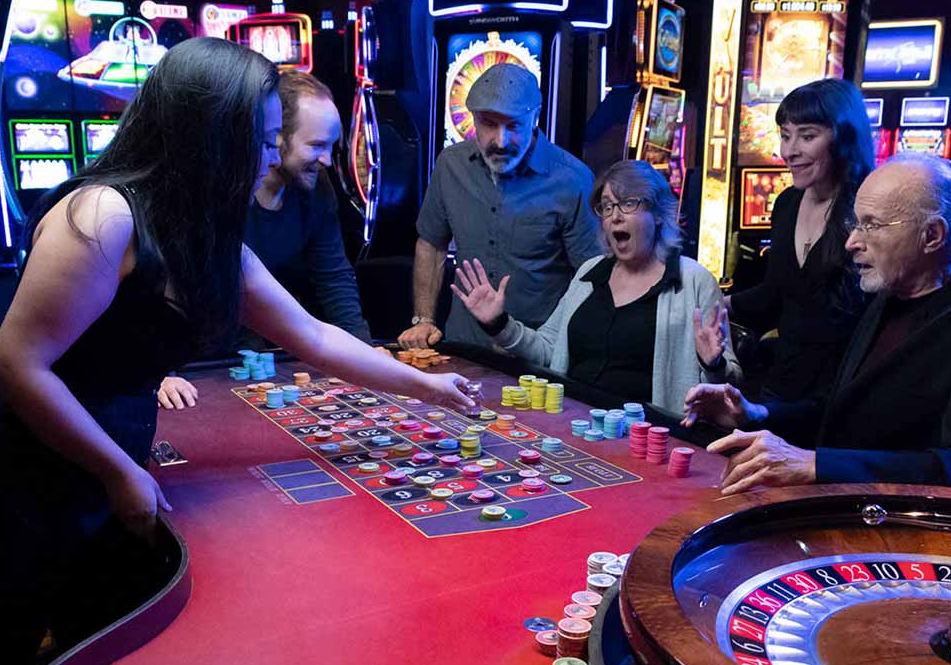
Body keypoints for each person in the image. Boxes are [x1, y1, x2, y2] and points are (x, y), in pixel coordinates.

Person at [0, 38, 473, 665]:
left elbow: (314, 337)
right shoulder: (103, 215)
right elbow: (18, 366)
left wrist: (424, 384)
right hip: (12, 477)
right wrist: (118, 471)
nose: (271, 155)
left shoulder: (214, 239)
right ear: (204, 133)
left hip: (107, 466)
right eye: (260, 137)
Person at [683, 154, 951, 493]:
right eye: (855, 223)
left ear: (932, 235)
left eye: (871, 225)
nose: (851, 242)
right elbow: (840, 409)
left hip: (911, 535)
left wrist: (818, 464)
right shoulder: (888, 292)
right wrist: (757, 414)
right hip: (843, 503)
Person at [453, 160, 741, 412]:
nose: (615, 216)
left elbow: (730, 390)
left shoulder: (694, 281)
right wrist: (499, 324)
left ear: (657, 213)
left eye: (629, 203)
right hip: (571, 420)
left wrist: (713, 364)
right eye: (607, 206)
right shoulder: (589, 273)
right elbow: (548, 350)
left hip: (648, 434)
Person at [159, 71, 370, 410]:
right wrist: (158, 370)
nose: (328, 160)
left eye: (332, 146)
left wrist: (365, 356)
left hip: (261, 356)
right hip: (196, 362)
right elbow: (165, 286)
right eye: (316, 145)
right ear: (275, 137)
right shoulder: (218, 190)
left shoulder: (317, 188)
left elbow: (334, 278)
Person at [398, 63, 600, 350]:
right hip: (464, 348)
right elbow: (431, 244)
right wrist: (423, 320)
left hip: (535, 357)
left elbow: (591, 275)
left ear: (536, 118)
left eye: (514, 125)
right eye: (489, 124)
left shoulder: (573, 179)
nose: (501, 141)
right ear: (473, 120)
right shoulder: (450, 165)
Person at [704, 78, 874, 402]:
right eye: (785, 135)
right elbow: (777, 292)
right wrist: (711, 303)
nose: (788, 151)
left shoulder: (867, 209)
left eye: (807, 136)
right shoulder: (786, 203)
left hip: (843, 395)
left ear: (844, 137)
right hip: (783, 384)